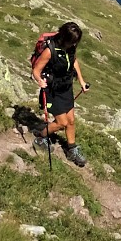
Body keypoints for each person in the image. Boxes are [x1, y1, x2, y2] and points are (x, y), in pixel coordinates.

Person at [32, 21, 89, 167]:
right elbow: (36, 70)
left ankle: (72, 149)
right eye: (72, 41)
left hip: (66, 88)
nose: (74, 44)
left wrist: (81, 81)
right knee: (61, 123)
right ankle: (41, 137)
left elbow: (74, 61)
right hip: (52, 90)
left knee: (70, 121)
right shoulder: (50, 50)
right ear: (65, 38)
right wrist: (39, 81)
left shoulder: (71, 47)